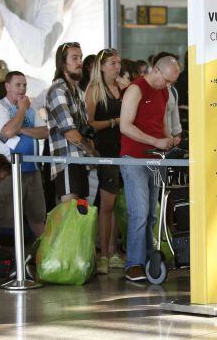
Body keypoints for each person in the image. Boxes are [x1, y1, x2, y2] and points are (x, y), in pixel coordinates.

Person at [118, 55, 180, 282]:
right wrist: (156, 142)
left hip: (156, 157)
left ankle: (146, 257)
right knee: (139, 212)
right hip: (134, 158)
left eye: (172, 82)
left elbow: (160, 121)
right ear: (155, 70)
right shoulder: (136, 89)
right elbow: (125, 126)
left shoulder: (164, 91)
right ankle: (133, 263)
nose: (168, 85)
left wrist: (168, 138)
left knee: (152, 214)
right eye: (166, 80)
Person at [0, 72, 48, 239]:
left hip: (32, 168)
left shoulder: (30, 108)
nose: (22, 89)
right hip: (8, 169)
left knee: (37, 216)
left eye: (24, 85)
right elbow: (7, 132)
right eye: (18, 85)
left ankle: (43, 258)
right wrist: (21, 110)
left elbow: (45, 132)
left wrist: (21, 130)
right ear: (7, 86)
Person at [85, 48, 126, 274]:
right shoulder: (94, 90)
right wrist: (114, 121)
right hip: (105, 150)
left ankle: (112, 250)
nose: (116, 67)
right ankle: (103, 254)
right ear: (101, 66)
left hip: (124, 150)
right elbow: (89, 123)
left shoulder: (122, 88)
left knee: (118, 203)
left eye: (118, 62)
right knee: (107, 204)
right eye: (112, 63)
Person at [46, 43, 94, 202]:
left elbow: (82, 128)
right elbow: (69, 132)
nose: (79, 62)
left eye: (80, 57)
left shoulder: (78, 92)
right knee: (69, 213)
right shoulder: (58, 90)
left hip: (80, 158)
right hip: (67, 159)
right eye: (74, 58)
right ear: (63, 63)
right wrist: (92, 152)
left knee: (80, 212)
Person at [153, 52, 183, 142]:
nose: (177, 70)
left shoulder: (173, 91)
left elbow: (175, 121)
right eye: (173, 67)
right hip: (152, 143)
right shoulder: (146, 90)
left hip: (168, 143)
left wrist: (176, 139)